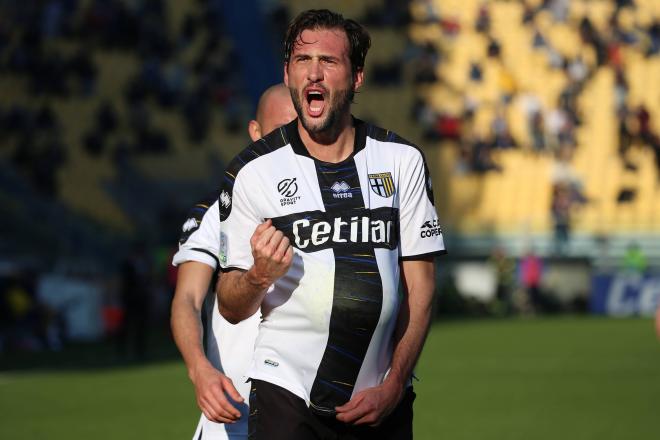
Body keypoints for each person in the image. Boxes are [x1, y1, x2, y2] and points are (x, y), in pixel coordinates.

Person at [217, 9, 446, 439]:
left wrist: (396, 383)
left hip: (380, 398)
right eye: (303, 61)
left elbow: (421, 287)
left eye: (329, 61)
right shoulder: (251, 171)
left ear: (356, 77)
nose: (314, 75)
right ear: (287, 72)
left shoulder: (402, 161)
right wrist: (257, 276)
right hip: (285, 391)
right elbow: (231, 307)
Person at [171, 83, 297, 440]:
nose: (286, 147)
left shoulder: (335, 210)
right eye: (278, 133)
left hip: (309, 418)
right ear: (255, 133)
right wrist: (200, 370)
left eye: (297, 133)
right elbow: (187, 299)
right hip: (232, 420)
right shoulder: (217, 211)